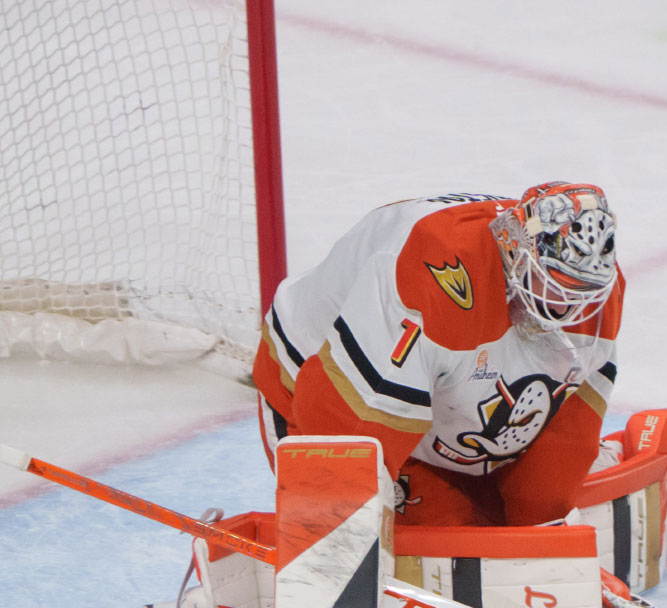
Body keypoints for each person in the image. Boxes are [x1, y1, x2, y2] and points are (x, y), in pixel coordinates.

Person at [253, 183, 623, 527]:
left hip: (440, 396)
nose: (566, 307)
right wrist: (342, 541)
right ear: (516, 249)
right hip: (320, 387)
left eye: (580, 291)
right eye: (553, 281)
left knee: (494, 534)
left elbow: (567, 438)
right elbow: (345, 434)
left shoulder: (599, 295)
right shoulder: (432, 274)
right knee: (425, 543)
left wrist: (544, 532)